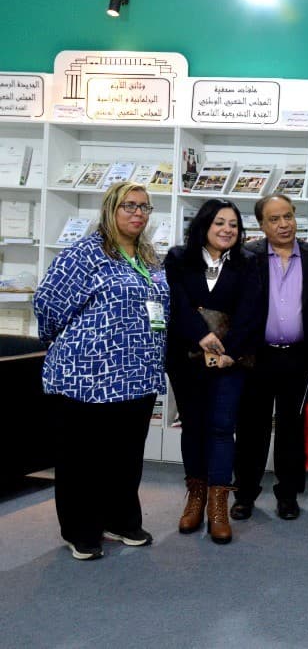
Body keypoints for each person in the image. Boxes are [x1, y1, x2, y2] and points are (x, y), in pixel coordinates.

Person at [34, 181, 168, 560]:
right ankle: (81, 530)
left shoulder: (149, 257)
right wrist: (69, 344)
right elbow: (47, 304)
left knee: (125, 455)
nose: (138, 213)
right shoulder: (84, 254)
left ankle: (121, 520)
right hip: (87, 376)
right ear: (110, 209)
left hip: (138, 375)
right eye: (130, 206)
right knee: (82, 458)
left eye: (144, 207)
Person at [166, 199, 261, 545]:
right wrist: (201, 335)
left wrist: (229, 352)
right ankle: (195, 498)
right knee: (193, 427)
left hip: (230, 362)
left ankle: (218, 507)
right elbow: (176, 303)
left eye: (233, 224)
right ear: (204, 225)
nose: (227, 230)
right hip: (186, 358)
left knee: (222, 428)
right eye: (220, 222)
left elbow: (252, 311)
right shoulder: (178, 258)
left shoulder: (248, 262)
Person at [230, 195, 308, 522]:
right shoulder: (247, 256)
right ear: (261, 225)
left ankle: (288, 495)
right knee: (251, 430)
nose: (284, 224)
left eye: (288, 216)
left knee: (292, 430)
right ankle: (244, 494)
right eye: (274, 219)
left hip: (299, 358)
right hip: (257, 358)